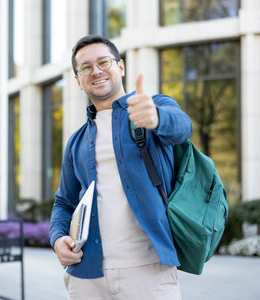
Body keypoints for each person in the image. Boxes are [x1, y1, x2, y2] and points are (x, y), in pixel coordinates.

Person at [49, 34, 192, 299]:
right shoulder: (76, 142)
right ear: (78, 81)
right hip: (87, 276)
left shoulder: (153, 106)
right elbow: (64, 202)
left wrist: (156, 118)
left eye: (104, 61)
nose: (96, 71)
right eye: (85, 67)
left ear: (121, 67)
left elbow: (182, 129)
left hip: (149, 272)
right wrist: (57, 238)